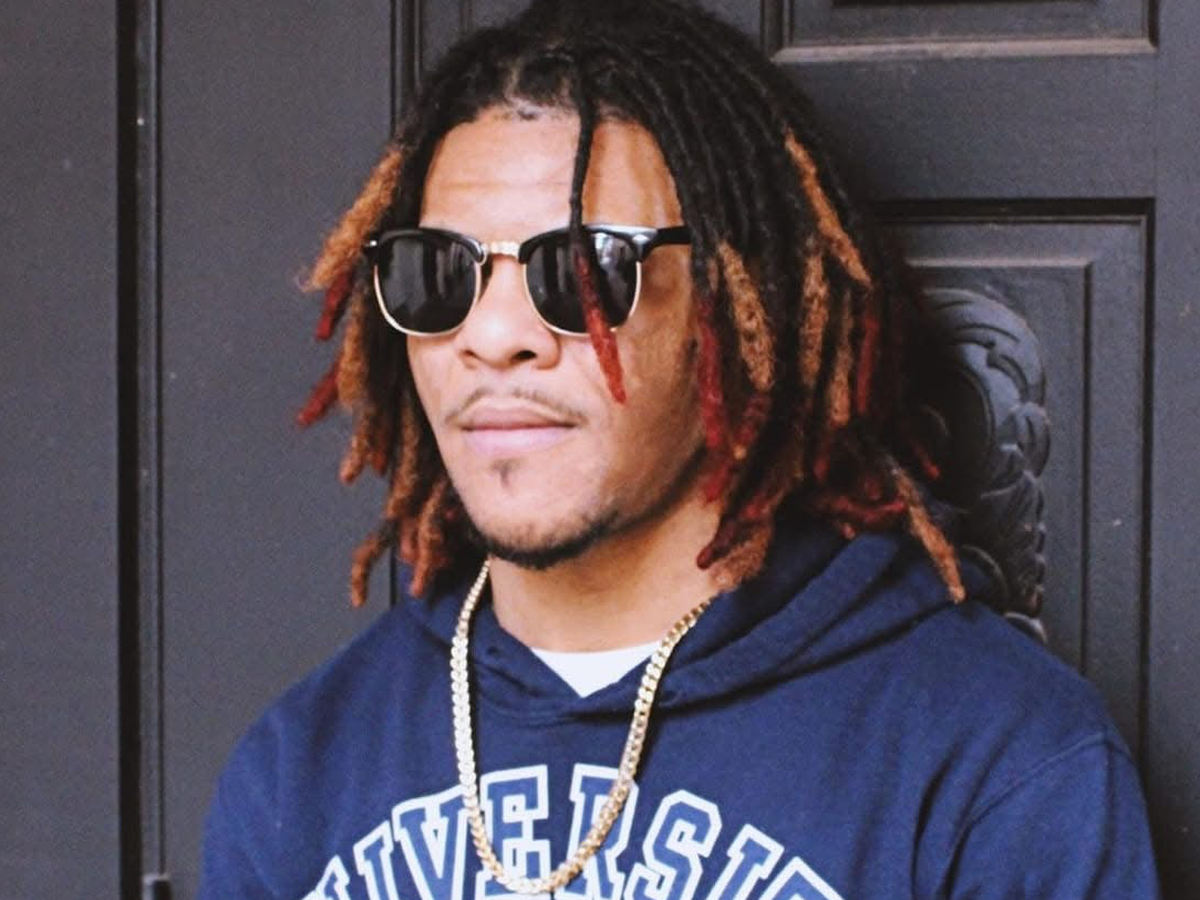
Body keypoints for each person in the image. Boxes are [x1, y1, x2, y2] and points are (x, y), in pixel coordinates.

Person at [199, 1, 1160, 897]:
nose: (493, 337)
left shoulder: (995, 761)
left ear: (741, 309)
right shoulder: (302, 774)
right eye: (437, 272)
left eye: (581, 269)